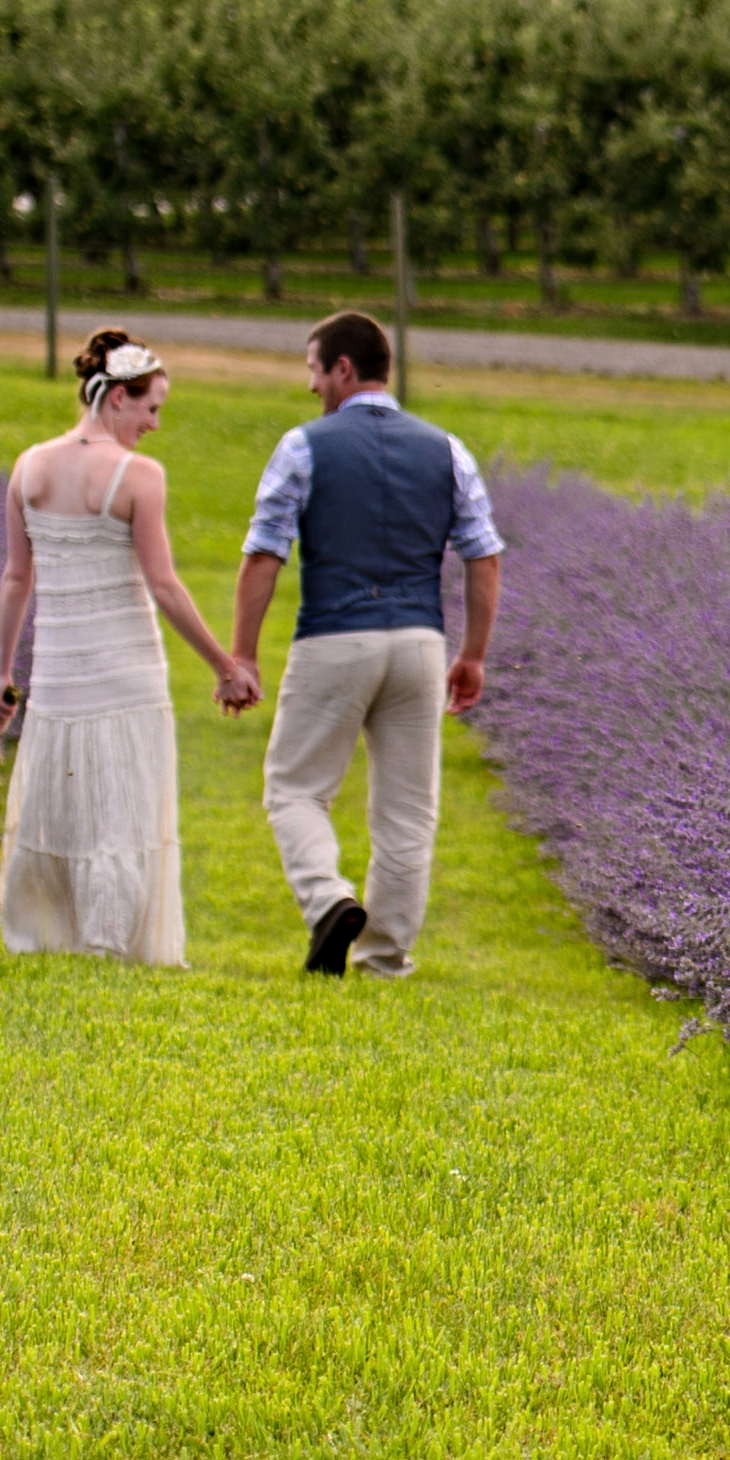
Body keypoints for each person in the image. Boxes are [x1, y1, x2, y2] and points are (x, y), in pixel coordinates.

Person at [230, 312, 505, 978]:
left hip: (335, 635)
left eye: (314, 371)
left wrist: (243, 652)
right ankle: (384, 957)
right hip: (419, 642)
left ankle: (328, 901)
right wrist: (472, 654)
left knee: (295, 789)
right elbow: (483, 556)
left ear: (343, 369)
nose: (312, 386)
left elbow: (265, 552)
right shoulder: (447, 449)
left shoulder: (304, 446)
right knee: (409, 808)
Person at [0, 331, 258, 967]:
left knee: (67, 807)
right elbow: (163, 583)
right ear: (114, 397)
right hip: (124, 672)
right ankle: (109, 939)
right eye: (151, 408)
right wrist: (224, 665)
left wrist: (1, 673)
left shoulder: (29, 465)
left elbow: (14, 578)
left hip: (57, 674)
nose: (155, 425)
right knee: (119, 814)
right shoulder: (139, 475)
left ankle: (53, 933)